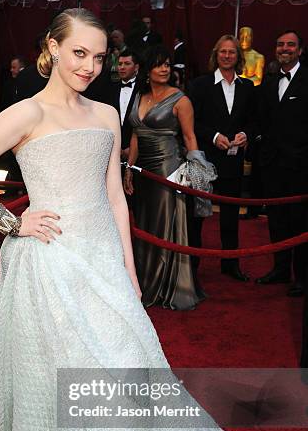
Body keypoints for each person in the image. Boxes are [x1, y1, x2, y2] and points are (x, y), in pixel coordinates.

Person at [0, 8, 265, 431]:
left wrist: (129, 270)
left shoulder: (106, 114)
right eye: (79, 54)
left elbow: (116, 198)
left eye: (98, 56)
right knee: (64, 381)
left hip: (103, 264)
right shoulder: (26, 112)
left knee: (125, 369)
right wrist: (9, 222)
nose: (90, 66)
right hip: (52, 266)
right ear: (52, 48)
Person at [124, 45, 205, 310]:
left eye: (168, 65)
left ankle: (169, 286)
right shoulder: (139, 98)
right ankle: (145, 283)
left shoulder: (181, 99)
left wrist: (198, 176)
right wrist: (128, 169)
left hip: (168, 171)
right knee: (145, 226)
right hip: (143, 172)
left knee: (164, 227)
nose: (164, 69)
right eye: (159, 65)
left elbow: (189, 137)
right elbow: (136, 135)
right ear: (147, 70)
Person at [188, 35, 255, 282]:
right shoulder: (200, 85)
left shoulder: (248, 87)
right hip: (204, 161)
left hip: (233, 162)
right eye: (223, 52)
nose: (227, 56)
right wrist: (214, 135)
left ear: (238, 57)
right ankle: (191, 265)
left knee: (230, 216)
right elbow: (191, 121)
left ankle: (230, 265)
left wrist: (245, 133)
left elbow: (253, 120)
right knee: (197, 216)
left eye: (232, 52)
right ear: (216, 55)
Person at [256, 30, 308, 297]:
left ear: (300, 50)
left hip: (300, 168)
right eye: (280, 44)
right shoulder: (269, 80)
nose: (284, 48)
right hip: (273, 166)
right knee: (276, 221)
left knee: (300, 223)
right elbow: (262, 121)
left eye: (290, 45)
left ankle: (301, 276)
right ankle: (280, 269)